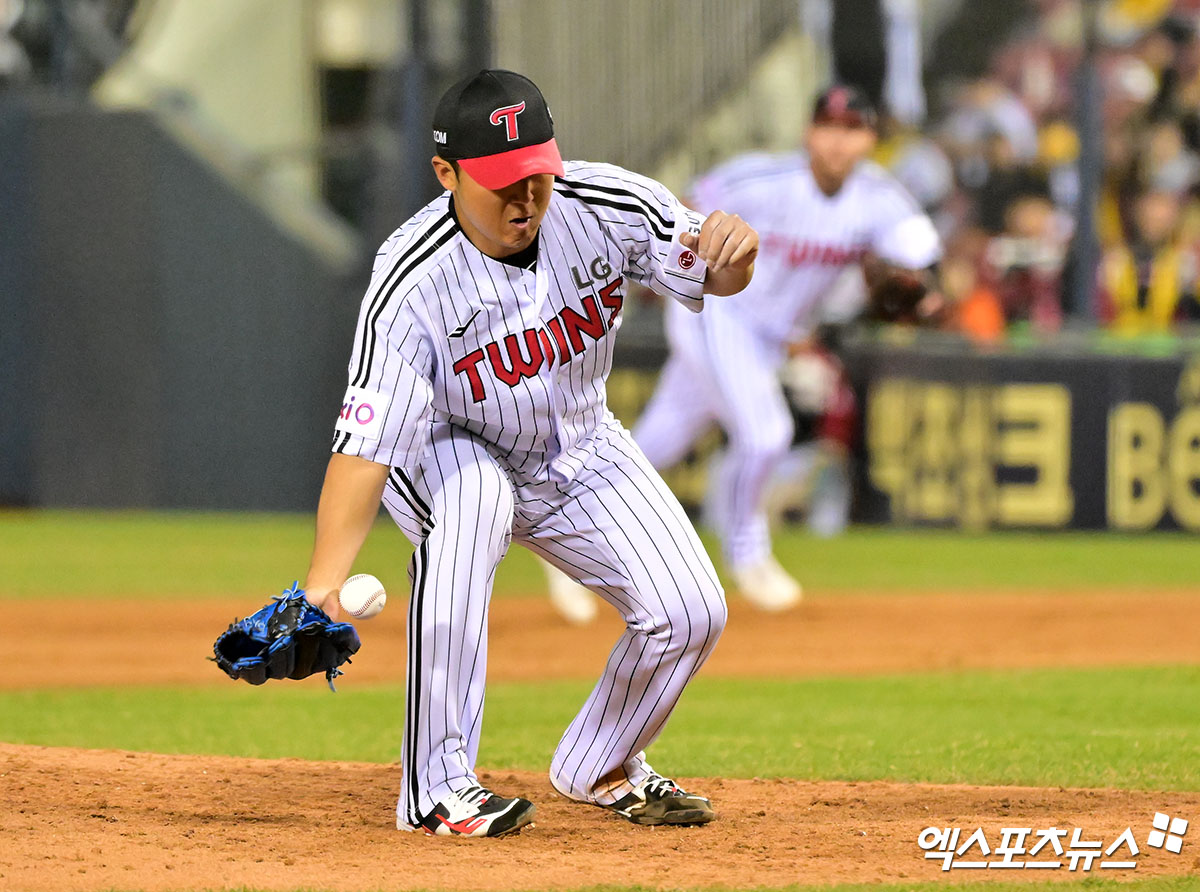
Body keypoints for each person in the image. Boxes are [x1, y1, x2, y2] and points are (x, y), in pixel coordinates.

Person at [300, 69, 758, 838]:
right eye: (502, 182)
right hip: (449, 447)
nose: (526, 199)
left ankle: (602, 765)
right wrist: (322, 585)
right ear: (446, 174)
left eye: (537, 175)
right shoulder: (411, 280)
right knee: (477, 506)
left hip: (579, 442)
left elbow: (716, 269)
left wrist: (735, 256)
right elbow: (367, 441)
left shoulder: (604, 202)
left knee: (691, 612)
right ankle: (436, 787)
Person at [546, 85, 942, 618]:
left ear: (870, 138)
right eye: (829, 126)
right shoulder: (762, 178)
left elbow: (923, 269)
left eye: (853, 129)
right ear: (809, 132)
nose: (839, 141)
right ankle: (748, 557)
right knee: (766, 432)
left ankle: (559, 531)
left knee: (659, 443)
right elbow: (683, 206)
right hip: (717, 312)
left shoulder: (881, 199)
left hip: (768, 339)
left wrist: (916, 290)